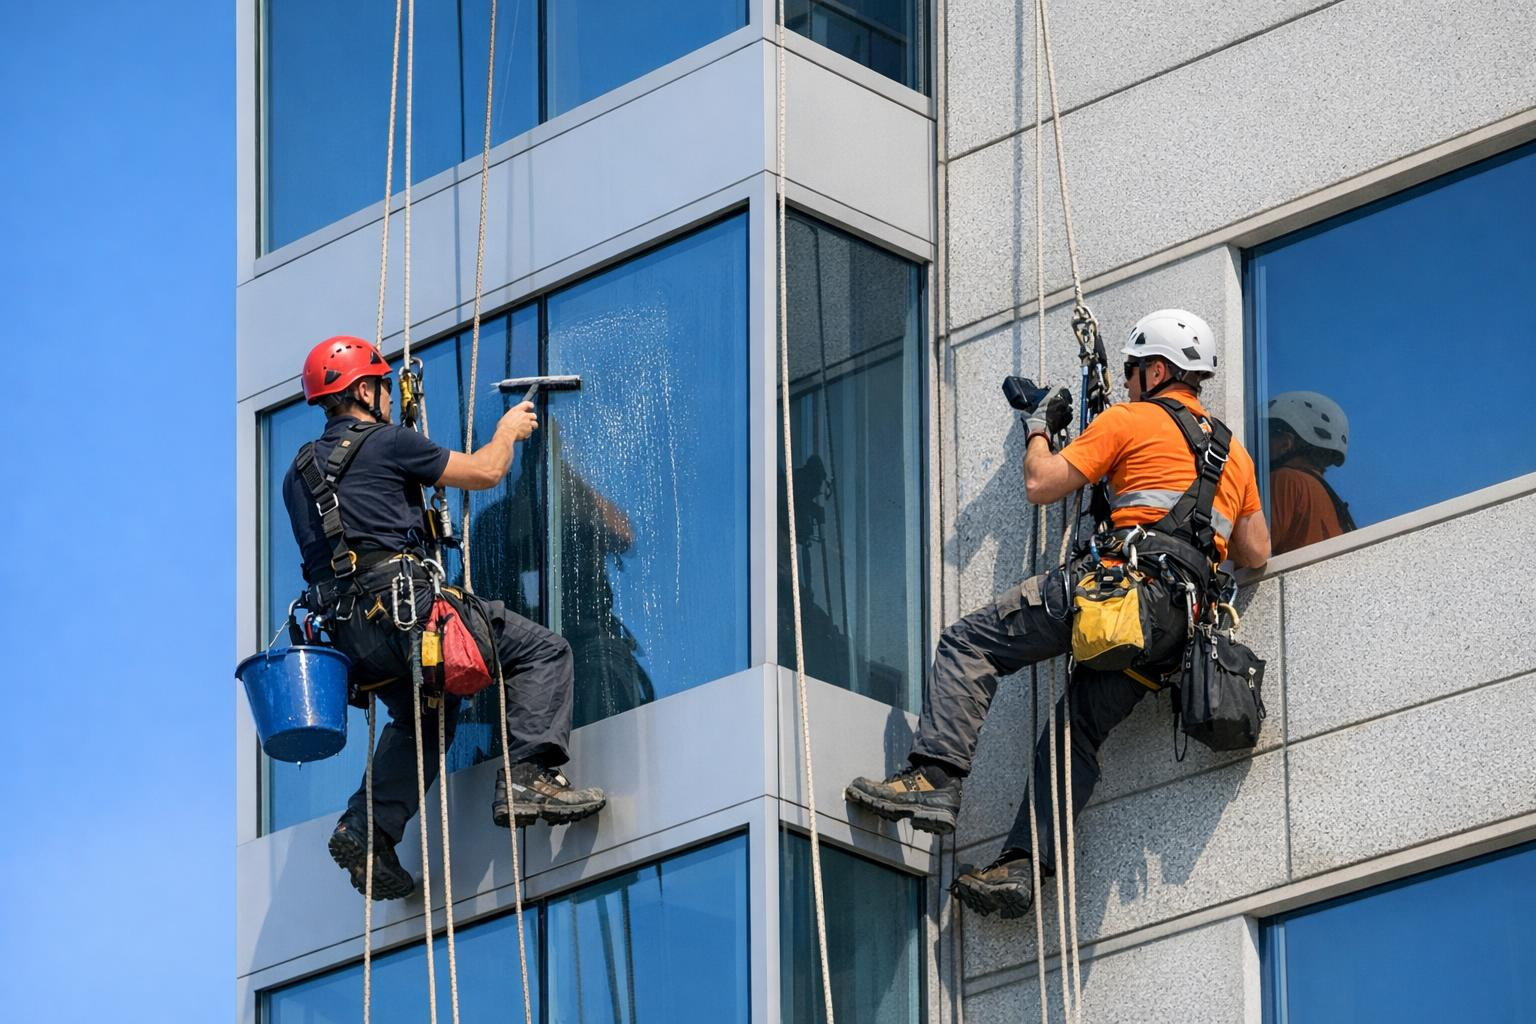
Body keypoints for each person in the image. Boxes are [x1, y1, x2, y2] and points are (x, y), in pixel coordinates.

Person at [845, 309, 1271, 918]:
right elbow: (1256, 552)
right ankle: (1021, 867)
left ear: (1155, 370)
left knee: (971, 642)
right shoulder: (1235, 455)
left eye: (1130, 373)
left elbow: (1043, 483)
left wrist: (1040, 426)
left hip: (1121, 596)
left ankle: (933, 781)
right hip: (1177, 636)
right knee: (1077, 734)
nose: (1125, 385)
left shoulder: (1131, 420)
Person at [281, 336, 605, 901]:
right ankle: (529, 776)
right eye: (380, 385)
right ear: (363, 388)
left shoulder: (298, 473)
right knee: (541, 651)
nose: (385, 395)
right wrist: (506, 434)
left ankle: (367, 828)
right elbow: (483, 473)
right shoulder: (387, 442)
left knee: (426, 720)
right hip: (406, 612)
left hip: (351, 636)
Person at [1266, 391, 1355, 555]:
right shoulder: (1327, 499)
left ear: (1286, 443)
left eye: (1268, 436)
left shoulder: (1286, 480)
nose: (1262, 445)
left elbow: (1255, 550)